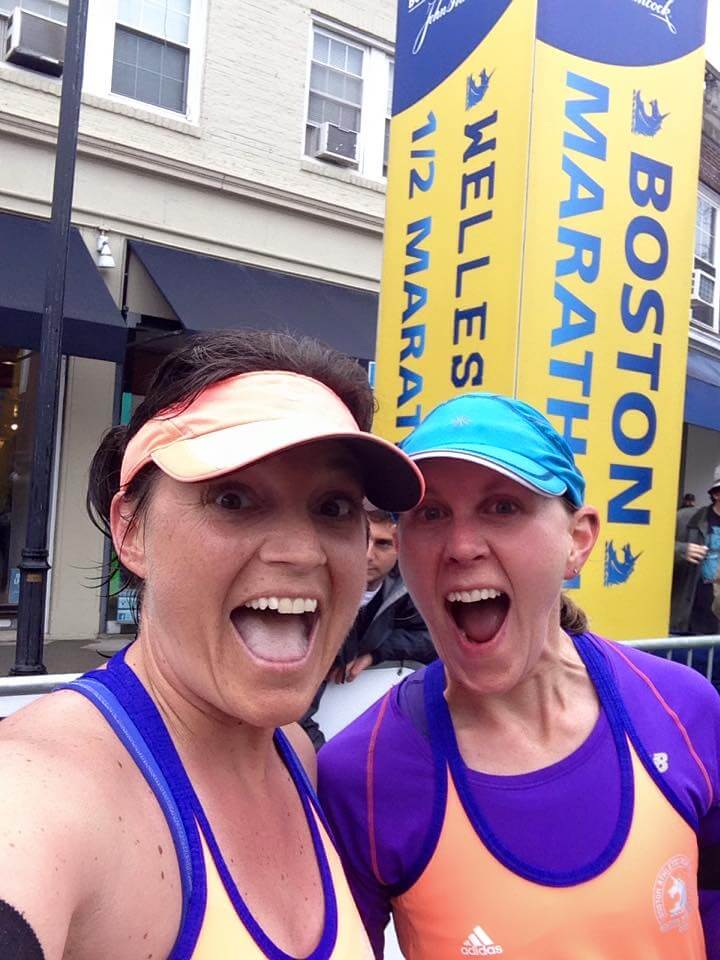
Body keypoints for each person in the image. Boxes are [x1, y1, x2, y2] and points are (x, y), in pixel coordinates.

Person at [0, 329, 424, 960]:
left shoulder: (297, 758)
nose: (301, 551)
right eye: (233, 498)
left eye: (333, 507)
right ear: (131, 530)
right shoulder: (45, 791)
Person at [319, 393, 720, 959]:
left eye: (503, 507)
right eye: (430, 514)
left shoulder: (684, 707)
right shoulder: (359, 773)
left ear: (578, 541)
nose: (460, 547)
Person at [301, 508, 434, 749]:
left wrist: (374, 655)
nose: (368, 555)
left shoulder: (407, 590)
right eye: (363, 540)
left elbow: (431, 641)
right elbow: (295, 715)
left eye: (382, 544)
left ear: (399, 549)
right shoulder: (308, 602)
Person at [671, 465, 720, 638]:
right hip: (686, 623)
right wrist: (680, 550)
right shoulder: (686, 519)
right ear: (716, 494)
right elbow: (655, 550)